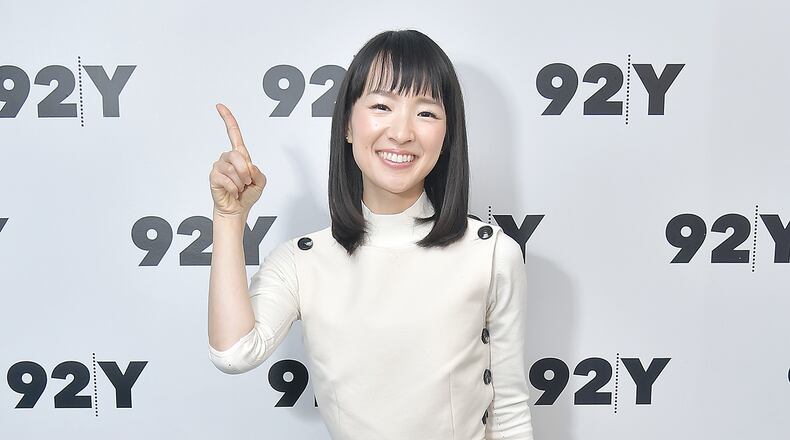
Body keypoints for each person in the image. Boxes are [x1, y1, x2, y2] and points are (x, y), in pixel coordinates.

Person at [207, 29, 534, 439]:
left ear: (447, 134)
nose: (402, 132)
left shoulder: (491, 253)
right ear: (347, 124)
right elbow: (234, 353)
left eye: (426, 113)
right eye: (382, 106)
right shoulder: (303, 261)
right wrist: (229, 217)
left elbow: (510, 413)